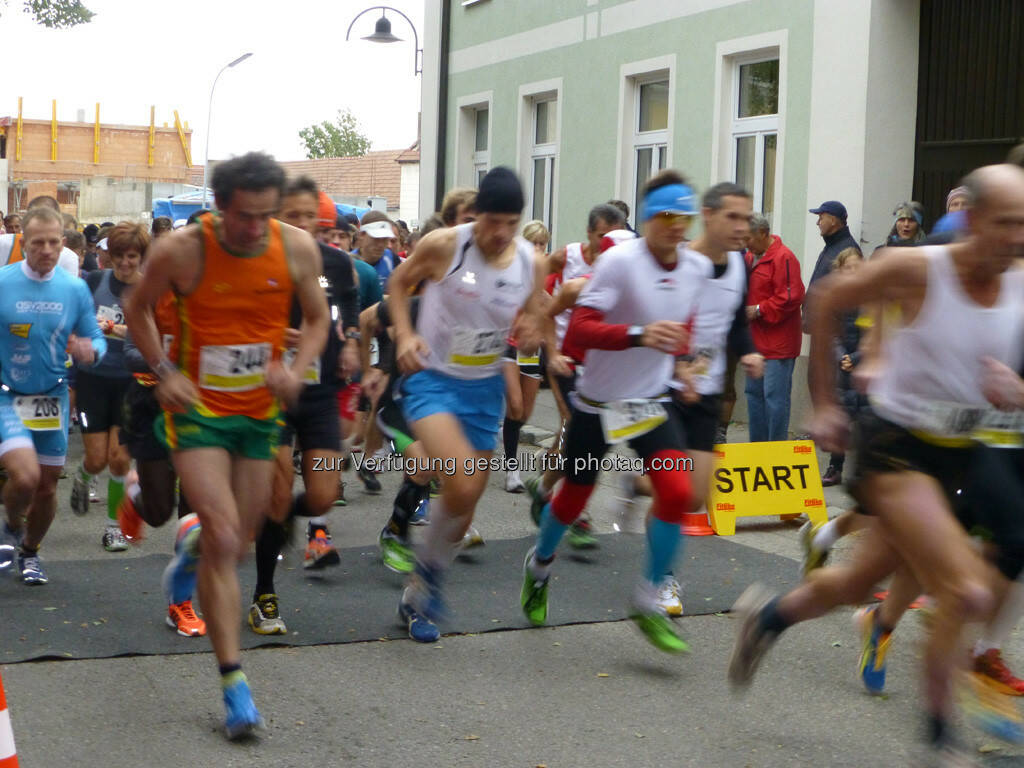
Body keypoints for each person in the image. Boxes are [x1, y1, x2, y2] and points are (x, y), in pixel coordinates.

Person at [727, 164, 1024, 762]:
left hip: (962, 457)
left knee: (858, 584)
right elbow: (829, 297)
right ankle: (937, 737)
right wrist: (829, 405)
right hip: (895, 448)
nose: (1017, 236)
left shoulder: (1020, 281)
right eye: (1006, 223)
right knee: (963, 590)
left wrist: (1014, 386)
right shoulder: (917, 268)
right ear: (971, 220)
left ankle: (768, 617)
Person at [125, 151, 330, 739]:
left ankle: (189, 554)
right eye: (245, 217)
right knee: (221, 533)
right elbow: (137, 310)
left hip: (259, 411)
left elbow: (316, 320)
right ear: (219, 207)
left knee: (236, 543)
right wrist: (165, 371)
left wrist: (299, 366)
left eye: (266, 216)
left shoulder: (295, 247)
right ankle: (234, 683)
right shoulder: (181, 251)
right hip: (200, 413)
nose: (256, 228)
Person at [521, 170, 708, 654]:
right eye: (666, 215)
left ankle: (648, 598)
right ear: (648, 219)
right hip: (598, 403)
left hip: (649, 402)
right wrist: (640, 335)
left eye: (682, 216)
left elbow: (685, 323)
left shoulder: (692, 267)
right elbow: (581, 330)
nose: (675, 225)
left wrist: (686, 363)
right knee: (573, 499)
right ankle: (539, 564)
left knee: (677, 490)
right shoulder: (620, 263)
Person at [388, 166, 546, 643]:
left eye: (510, 224)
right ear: (476, 215)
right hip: (432, 379)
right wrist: (406, 335)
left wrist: (537, 328)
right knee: (458, 479)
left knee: (465, 503)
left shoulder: (531, 262)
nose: (499, 234)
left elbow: (537, 311)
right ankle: (430, 574)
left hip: (483, 390)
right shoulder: (446, 247)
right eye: (491, 222)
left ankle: (418, 593)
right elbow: (398, 284)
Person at [249, 177, 360, 636]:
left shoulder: (330, 262)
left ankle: (269, 520)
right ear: (274, 217)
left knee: (321, 495)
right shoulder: (257, 262)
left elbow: (349, 299)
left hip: (317, 390)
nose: (299, 224)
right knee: (277, 490)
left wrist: (351, 339)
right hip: (270, 389)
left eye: (307, 216)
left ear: (320, 219)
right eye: (289, 215)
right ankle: (264, 595)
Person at [0, 207, 107, 584]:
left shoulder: (73, 288)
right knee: (25, 478)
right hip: (8, 397)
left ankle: (30, 551)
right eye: (37, 242)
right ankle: (12, 524)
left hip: (53, 398)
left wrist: (90, 350)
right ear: (23, 243)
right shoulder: (3, 281)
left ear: (63, 243)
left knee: (46, 487)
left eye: (53, 241)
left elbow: (96, 338)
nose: (46, 249)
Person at [522, 203, 628, 549]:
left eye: (615, 236)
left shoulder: (624, 266)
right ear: (589, 233)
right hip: (565, 357)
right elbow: (538, 286)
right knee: (580, 431)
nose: (608, 243)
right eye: (602, 237)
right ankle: (577, 514)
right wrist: (550, 349)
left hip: (602, 366)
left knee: (576, 438)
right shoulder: (568, 258)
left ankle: (545, 486)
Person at [69, 222, 147, 551]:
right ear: (109, 257)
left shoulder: (150, 291)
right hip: (93, 379)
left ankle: (114, 527)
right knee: (98, 459)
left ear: (142, 256)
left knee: (119, 459)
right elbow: (75, 320)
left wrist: (115, 330)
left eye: (132, 256)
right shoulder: (95, 282)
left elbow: (154, 337)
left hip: (132, 382)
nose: (126, 263)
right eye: (119, 256)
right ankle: (83, 477)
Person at [743, 213, 805, 442]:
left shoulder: (784, 257)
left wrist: (758, 310)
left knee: (774, 399)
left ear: (762, 233)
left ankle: (775, 451)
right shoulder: (751, 257)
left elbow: (791, 297)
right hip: (756, 341)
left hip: (778, 344)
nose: (745, 243)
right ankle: (757, 451)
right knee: (753, 396)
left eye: (748, 237)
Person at [501, 219, 550, 494]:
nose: (539, 248)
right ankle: (511, 469)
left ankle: (507, 432)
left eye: (543, 243)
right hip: (508, 345)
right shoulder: (511, 272)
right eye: (534, 242)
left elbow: (554, 312)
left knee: (524, 413)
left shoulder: (545, 276)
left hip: (533, 351)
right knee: (516, 407)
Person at [820, 248, 864, 485]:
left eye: (857, 267)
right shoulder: (836, 299)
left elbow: (876, 336)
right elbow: (831, 335)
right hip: (842, 367)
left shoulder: (872, 297)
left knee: (867, 419)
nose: (853, 272)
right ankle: (835, 467)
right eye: (848, 268)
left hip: (865, 366)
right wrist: (841, 357)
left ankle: (864, 472)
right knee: (841, 418)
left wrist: (856, 358)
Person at [0, 195, 80, 275]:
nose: (46, 251)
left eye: (48, 218)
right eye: (37, 242)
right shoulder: (4, 244)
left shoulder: (68, 258)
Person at [805, 199, 860, 300]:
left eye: (821, 218)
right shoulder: (831, 246)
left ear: (833, 221)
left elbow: (850, 297)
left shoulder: (848, 251)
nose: (817, 223)